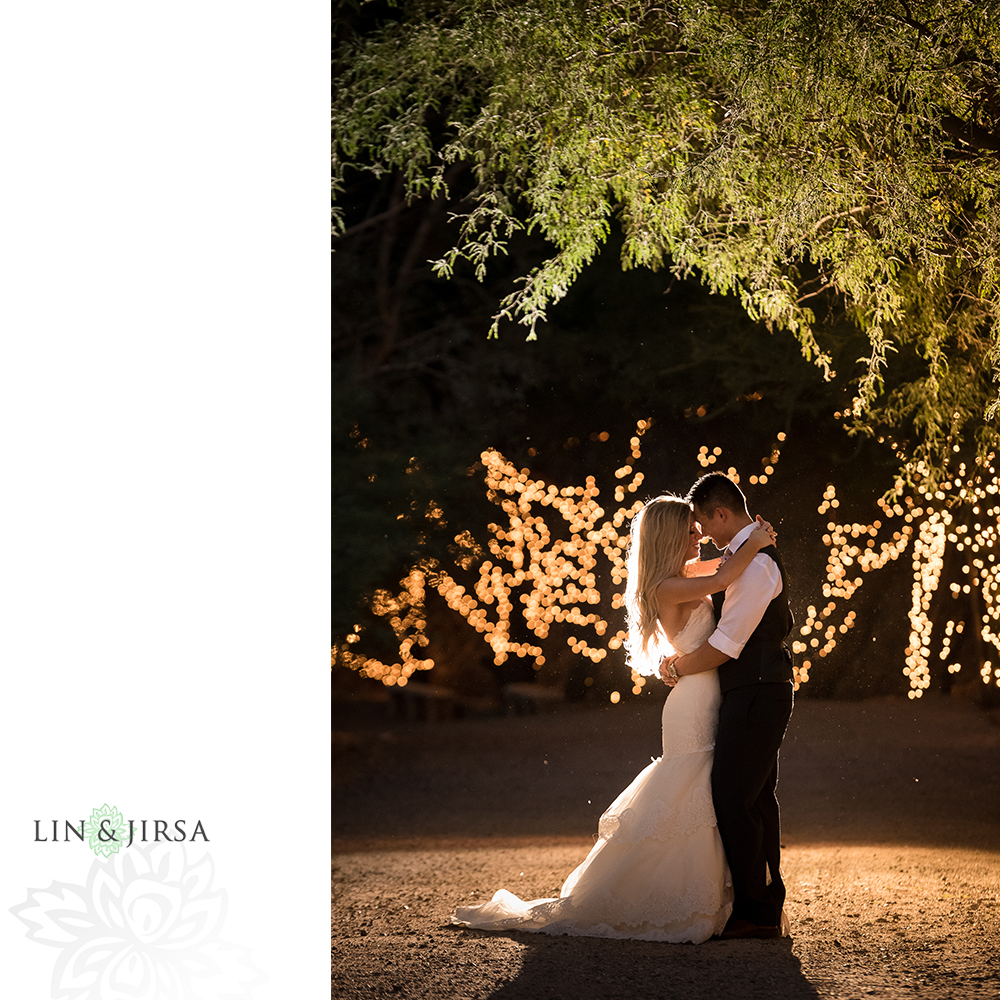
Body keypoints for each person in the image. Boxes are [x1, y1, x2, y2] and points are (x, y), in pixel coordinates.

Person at [450, 494, 777, 943]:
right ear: (669, 537)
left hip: (703, 692)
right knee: (692, 792)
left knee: (707, 794)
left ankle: (714, 898)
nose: (699, 534)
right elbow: (725, 577)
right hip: (694, 700)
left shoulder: (681, 577)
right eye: (690, 530)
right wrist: (756, 541)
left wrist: (751, 542)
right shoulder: (666, 586)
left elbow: (725, 568)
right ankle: (672, 898)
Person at [660, 471, 794, 940]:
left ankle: (756, 912)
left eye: (704, 524)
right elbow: (718, 576)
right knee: (753, 797)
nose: (705, 537)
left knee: (735, 797)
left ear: (721, 514)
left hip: (757, 689)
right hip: (749, 689)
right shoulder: (742, 558)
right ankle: (760, 906)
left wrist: (677, 668)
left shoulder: (754, 566)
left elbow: (726, 645)